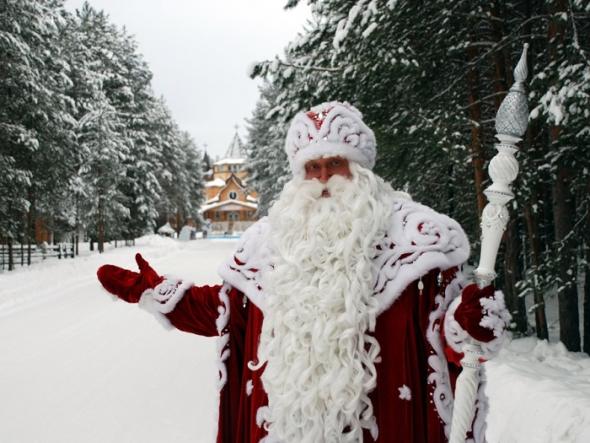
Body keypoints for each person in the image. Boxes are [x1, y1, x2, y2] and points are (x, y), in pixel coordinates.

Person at [97, 102, 510, 443]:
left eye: (335, 163)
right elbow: (225, 312)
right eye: (312, 168)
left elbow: (452, 338)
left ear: (361, 169)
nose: (324, 177)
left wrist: (469, 324)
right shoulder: (268, 242)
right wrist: (150, 290)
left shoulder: (418, 243)